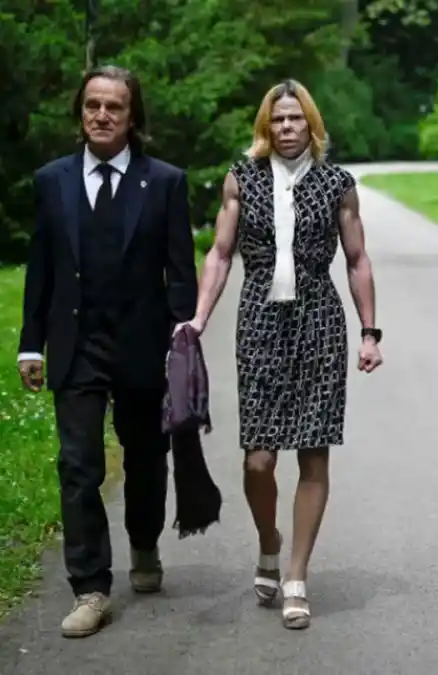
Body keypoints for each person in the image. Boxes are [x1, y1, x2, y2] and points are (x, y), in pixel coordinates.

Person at [184, 79, 383, 630]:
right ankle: (268, 539)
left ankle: (295, 574)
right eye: (278, 120)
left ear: (311, 124)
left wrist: (371, 331)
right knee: (259, 459)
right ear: (265, 128)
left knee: (313, 454)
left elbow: (358, 259)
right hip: (260, 321)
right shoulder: (241, 179)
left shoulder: (337, 183)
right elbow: (221, 254)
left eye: (296, 119)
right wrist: (200, 317)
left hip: (319, 320)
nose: (287, 128)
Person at [17, 65, 198, 638]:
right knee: (79, 466)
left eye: (113, 107)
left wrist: (180, 341)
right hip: (76, 345)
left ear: (132, 117)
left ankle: (144, 544)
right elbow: (41, 269)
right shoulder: (52, 181)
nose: (101, 115)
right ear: (80, 113)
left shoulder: (165, 181)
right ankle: (90, 586)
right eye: (92, 105)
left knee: (146, 459)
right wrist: (30, 345)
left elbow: (180, 273)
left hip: (142, 345)